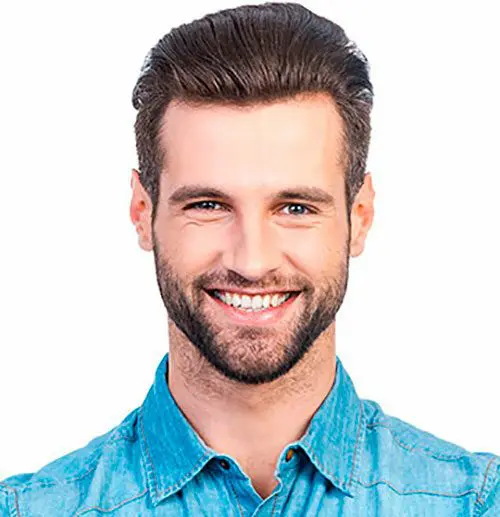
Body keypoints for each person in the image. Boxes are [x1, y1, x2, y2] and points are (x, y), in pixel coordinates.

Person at [1, 2, 498, 515]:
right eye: (209, 205)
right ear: (142, 211)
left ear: (361, 216)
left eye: (296, 207)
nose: (253, 261)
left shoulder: (477, 503)